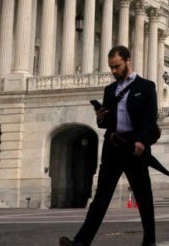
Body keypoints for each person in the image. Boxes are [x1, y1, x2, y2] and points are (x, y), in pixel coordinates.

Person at [60, 45, 158, 246]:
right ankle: (80, 242)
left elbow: (150, 120)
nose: (113, 71)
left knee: (144, 197)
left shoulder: (146, 87)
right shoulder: (110, 90)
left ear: (128, 61)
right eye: (111, 68)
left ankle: (150, 242)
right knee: (100, 199)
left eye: (117, 66)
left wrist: (141, 141)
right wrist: (100, 118)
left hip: (134, 147)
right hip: (113, 147)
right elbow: (105, 124)